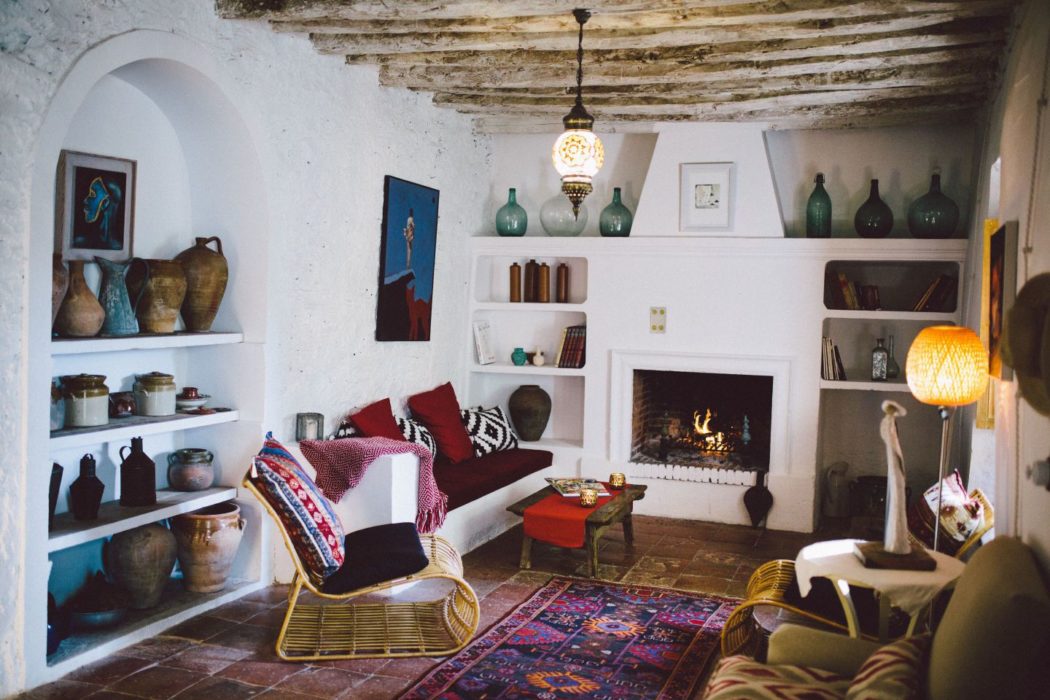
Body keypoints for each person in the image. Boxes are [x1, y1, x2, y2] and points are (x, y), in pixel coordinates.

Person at [78, 175, 123, 250]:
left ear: (105, 203)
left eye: (92, 194)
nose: (85, 200)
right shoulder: (80, 243)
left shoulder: (119, 248)